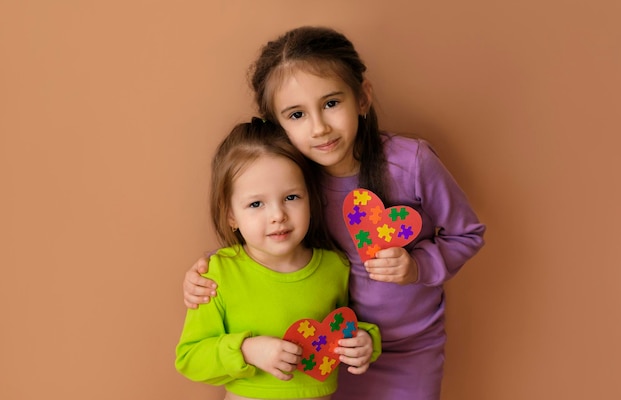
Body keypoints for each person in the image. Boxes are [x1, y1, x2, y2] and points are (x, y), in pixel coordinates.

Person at [183, 26, 486, 400]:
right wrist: (207, 274)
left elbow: (467, 233)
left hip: (410, 348)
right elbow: (265, 242)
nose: (319, 127)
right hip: (328, 356)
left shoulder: (411, 163)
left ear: (362, 97)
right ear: (277, 127)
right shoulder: (294, 183)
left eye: (330, 103)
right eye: (296, 114)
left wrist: (417, 266)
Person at [175, 118, 381, 400]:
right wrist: (247, 350)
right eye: (256, 204)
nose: (277, 215)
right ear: (231, 215)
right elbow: (189, 357)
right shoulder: (216, 274)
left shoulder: (336, 266)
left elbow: (349, 323)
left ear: (311, 197)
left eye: (292, 197)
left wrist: (366, 341)